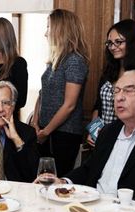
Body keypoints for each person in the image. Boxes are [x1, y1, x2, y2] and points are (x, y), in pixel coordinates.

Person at [58, 70, 135, 198]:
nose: (119, 97)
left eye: (128, 90)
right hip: (94, 206)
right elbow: (89, 168)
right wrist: (63, 182)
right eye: (116, 91)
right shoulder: (108, 131)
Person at [31, 9, 90, 177]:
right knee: (41, 179)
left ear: (61, 30)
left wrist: (46, 131)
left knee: (57, 182)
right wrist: (35, 122)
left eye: (49, 27)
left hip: (64, 134)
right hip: (44, 131)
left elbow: (69, 104)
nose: (45, 33)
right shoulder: (53, 60)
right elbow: (43, 93)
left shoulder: (74, 61)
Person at [87, 19, 135, 146]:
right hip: (103, 139)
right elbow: (98, 105)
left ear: (132, 42)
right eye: (110, 43)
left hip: (131, 140)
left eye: (118, 42)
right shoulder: (109, 71)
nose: (113, 47)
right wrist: (93, 131)